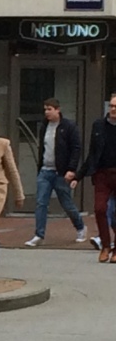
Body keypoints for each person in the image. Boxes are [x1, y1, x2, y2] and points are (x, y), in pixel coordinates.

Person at [25, 98, 86, 247]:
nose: (46, 112)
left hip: (61, 172)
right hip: (45, 170)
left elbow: (76, 148)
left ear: (58, 109)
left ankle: (80, 227)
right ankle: (39, 235)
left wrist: (71, 169)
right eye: (45, 109)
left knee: (66, 203)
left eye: (50, 109)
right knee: (41, 203)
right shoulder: (44, 126)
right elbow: (43, 147)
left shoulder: (68, 126)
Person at [68, 92, 116, 261]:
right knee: (100, 209)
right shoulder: (99, 126)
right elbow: (92, 154)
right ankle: (105, 246)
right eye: (111, 106)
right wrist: (78, 176)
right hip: (102, 173)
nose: (113, 109)